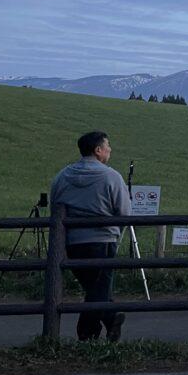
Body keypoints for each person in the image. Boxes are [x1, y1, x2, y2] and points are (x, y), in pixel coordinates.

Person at [48, 131, 132, 341]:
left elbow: (54, 206)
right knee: (98, 290)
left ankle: (94, 331)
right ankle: (94, 328)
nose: (110, 149)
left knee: (94, 288)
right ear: (97, 150)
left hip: (73, 242)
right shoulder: (110, 176)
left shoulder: (63, 176)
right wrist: (116, 234)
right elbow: (124, 212)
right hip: (103, 240)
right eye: (107, 146)